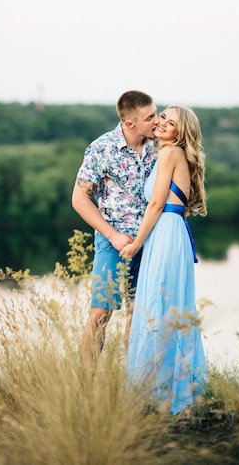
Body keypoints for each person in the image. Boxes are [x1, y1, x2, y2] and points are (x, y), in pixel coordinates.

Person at [119, 105, 207, 414]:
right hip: (167, 233)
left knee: (160, 304)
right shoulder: (168, 154)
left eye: (170, 123)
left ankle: (164, 394)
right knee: (166, 305)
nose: (161, 124)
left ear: (180, 133)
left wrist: (136, 244)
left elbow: (156, 202)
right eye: (162, 119)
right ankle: (162, 388)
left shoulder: (170, 154)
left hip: (166, 231)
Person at [72, 90, 158, 368]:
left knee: (140, 313)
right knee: (101, 313)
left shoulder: (159, 145)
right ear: (130, 123)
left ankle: (135, 384)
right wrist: (113, 235)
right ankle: (86, 386)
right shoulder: (102, 148)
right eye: (150, 117)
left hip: (151, 240)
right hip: (113, 241)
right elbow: (78, 199)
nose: (157, 121)